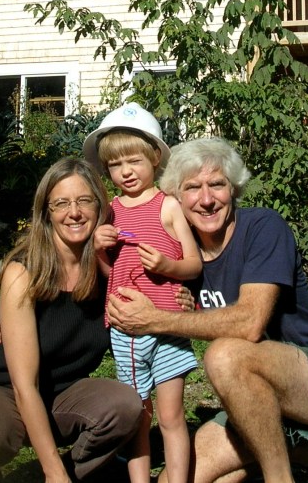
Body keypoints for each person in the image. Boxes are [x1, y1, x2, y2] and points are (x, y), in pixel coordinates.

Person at [107, 137, 308, 483]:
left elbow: (250, 323)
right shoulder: (184, 257)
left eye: (217, 185)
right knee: (178, 479)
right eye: (193, 188)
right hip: (253, 396)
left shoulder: (263, 228)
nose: (207, 199)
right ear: (176, 197)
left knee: (225, 354)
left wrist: (160, 320)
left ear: (234, 189)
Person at [0, 157, 143, 483]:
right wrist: (55, 473)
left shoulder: (109, 269)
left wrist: (180, 299)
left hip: (62, 393)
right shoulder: (23, 271)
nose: (75, 212)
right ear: (46, 212)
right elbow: (24, 385)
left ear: (100, 207)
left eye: (84, 200)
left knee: (124, 406)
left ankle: (39, 477)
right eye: (61, 203)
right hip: (0, 389)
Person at [83, 103, 202, 483]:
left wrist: (167, 267)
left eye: (133, 161)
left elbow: (194, 264)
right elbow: (110, 274)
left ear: (155, 157)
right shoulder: (110, 212)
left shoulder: (167, 205)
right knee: (138, 416)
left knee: (170, 416)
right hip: (127, 332)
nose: (126, 172)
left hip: (167, 329)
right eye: (116, 166)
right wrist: (100, 250)